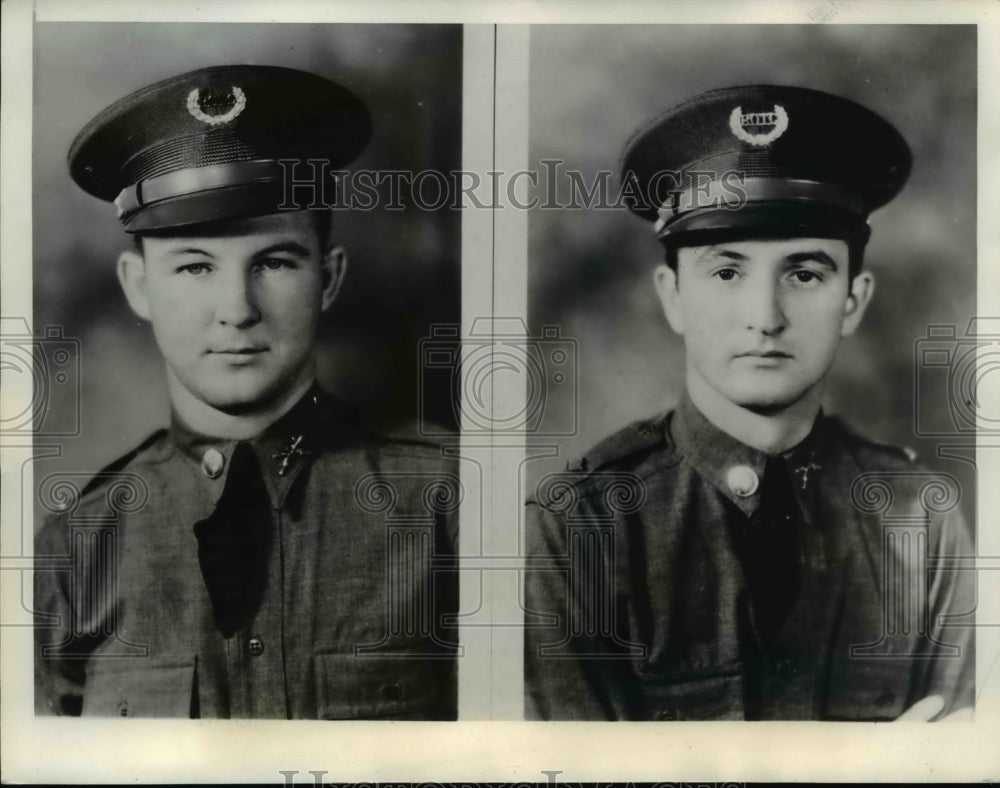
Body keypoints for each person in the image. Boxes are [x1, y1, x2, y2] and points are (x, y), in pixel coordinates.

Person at [524, 84, 975, 721]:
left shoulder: (921, 519)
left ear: (854, 300)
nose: (764, 317)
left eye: (805, 273)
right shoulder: (582, 526)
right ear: (673, 295)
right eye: (727, 272)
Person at [34, 65, 459, 719]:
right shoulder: (76, 550)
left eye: (275, 262)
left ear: (329, 277)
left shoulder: (449, 506)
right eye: (196, 266)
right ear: (138, 285)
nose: (236, 309)